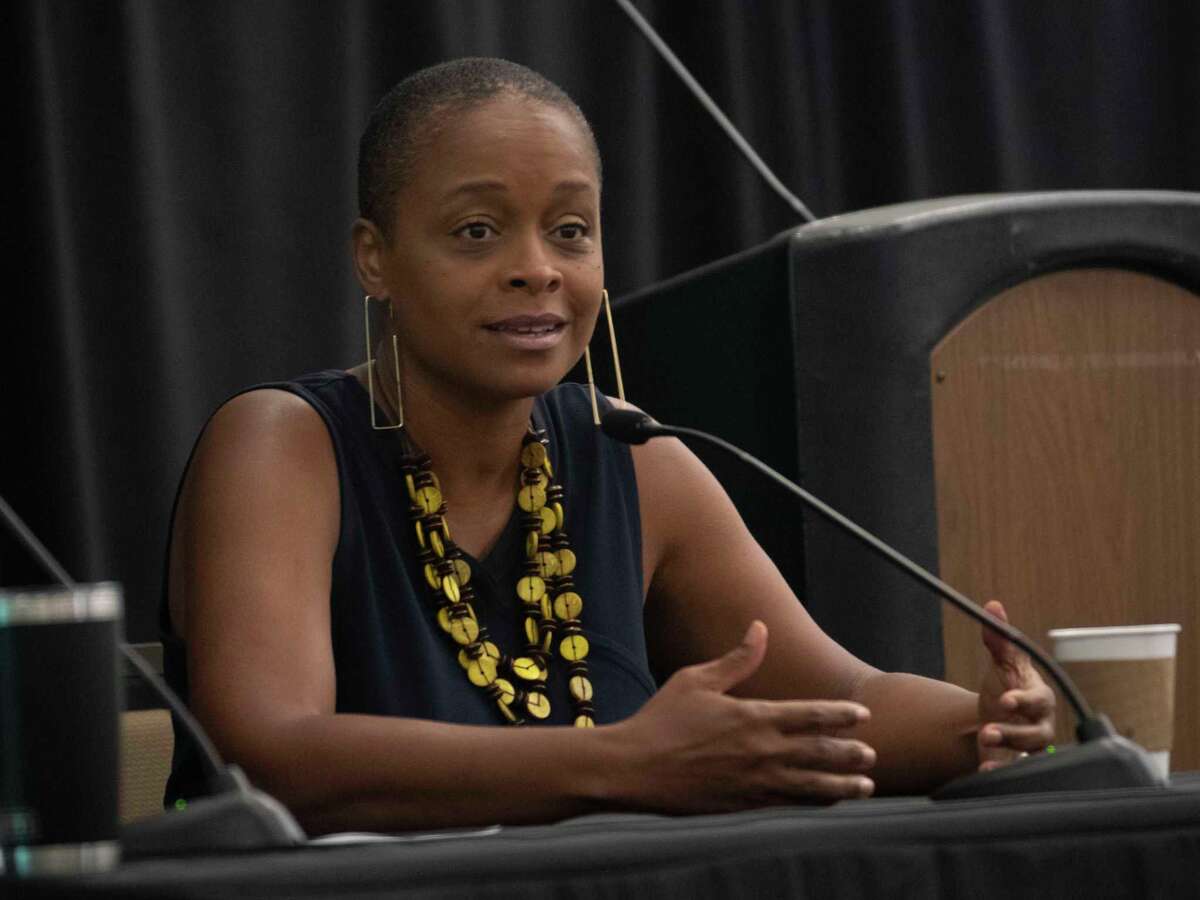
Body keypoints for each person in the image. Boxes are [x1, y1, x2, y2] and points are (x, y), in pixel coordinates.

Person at [162, 57, 1054, 835]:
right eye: (477, 231)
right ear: (375, 258)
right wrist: (626, 762)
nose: (537, 268)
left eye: (570, 230)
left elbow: (840, 700)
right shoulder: (283, 448)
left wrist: (981, 726)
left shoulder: (633, 457)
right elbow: (271, 754)